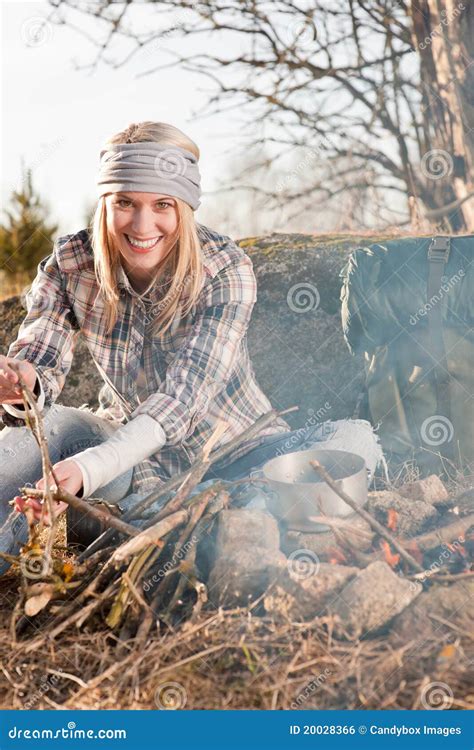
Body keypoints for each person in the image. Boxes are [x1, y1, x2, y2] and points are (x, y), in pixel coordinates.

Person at [0, 121, 385, 574]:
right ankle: (151, 519)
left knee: (355, 441)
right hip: (130, 461)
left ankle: (175, 517)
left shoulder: (226, 269)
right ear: (106, 201)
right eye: (125, 202)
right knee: (51, 427)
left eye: (162, 204)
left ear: (184, 206)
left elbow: (183, 399)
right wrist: (21, 384)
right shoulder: (71, 263)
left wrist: (90, 470)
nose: (142, 225)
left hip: (242, 457)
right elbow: (38, 364)